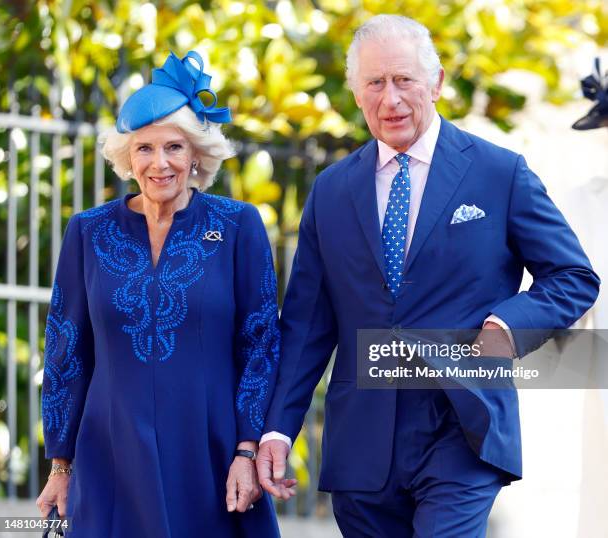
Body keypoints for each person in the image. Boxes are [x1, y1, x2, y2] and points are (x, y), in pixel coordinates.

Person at [256, 14, 600, 537]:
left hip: (462, 425)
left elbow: (573, 276)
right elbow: (306, 326)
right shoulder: (331, 191)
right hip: (362, 440)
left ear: (435, 83)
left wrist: (508, 326)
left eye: (404, 80)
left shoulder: (499, 173)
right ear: (356, 92)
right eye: (375, 83)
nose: (390, 99)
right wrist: (280, 428)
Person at [36, 51, 280, 537]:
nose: (159, 162)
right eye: (144, 148)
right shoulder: (88, 231)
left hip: (208, 452)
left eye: (173, 147)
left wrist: (247, 450)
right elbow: (66, 349)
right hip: (110, 452)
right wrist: (61, 463)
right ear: (128, 156)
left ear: (196, 155)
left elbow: (261, 344)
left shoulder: (237, 226)